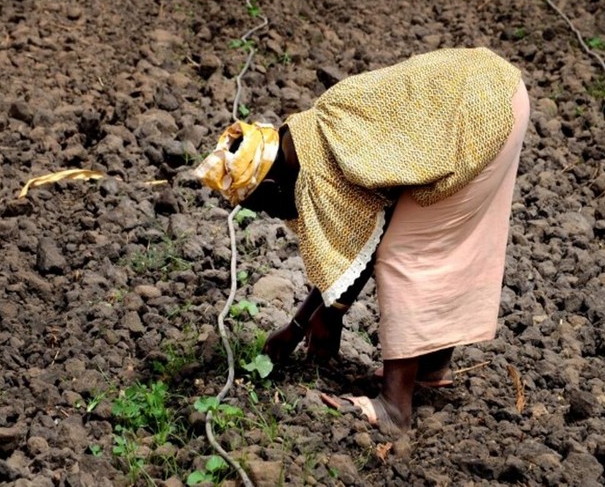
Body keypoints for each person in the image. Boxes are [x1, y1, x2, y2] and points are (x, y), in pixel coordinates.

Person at [194, 47, 530, 434]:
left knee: (408, 254)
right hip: (491, 89)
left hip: (482, 113)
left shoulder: (319, 172)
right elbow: (355, 252)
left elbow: (366, 244)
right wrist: (302, 324)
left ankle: (394, 409)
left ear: (270, 182)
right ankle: (429, 367)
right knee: (436, 241)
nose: (271, 215)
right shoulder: (309, 136)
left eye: (264, 205)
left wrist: (329, 316)